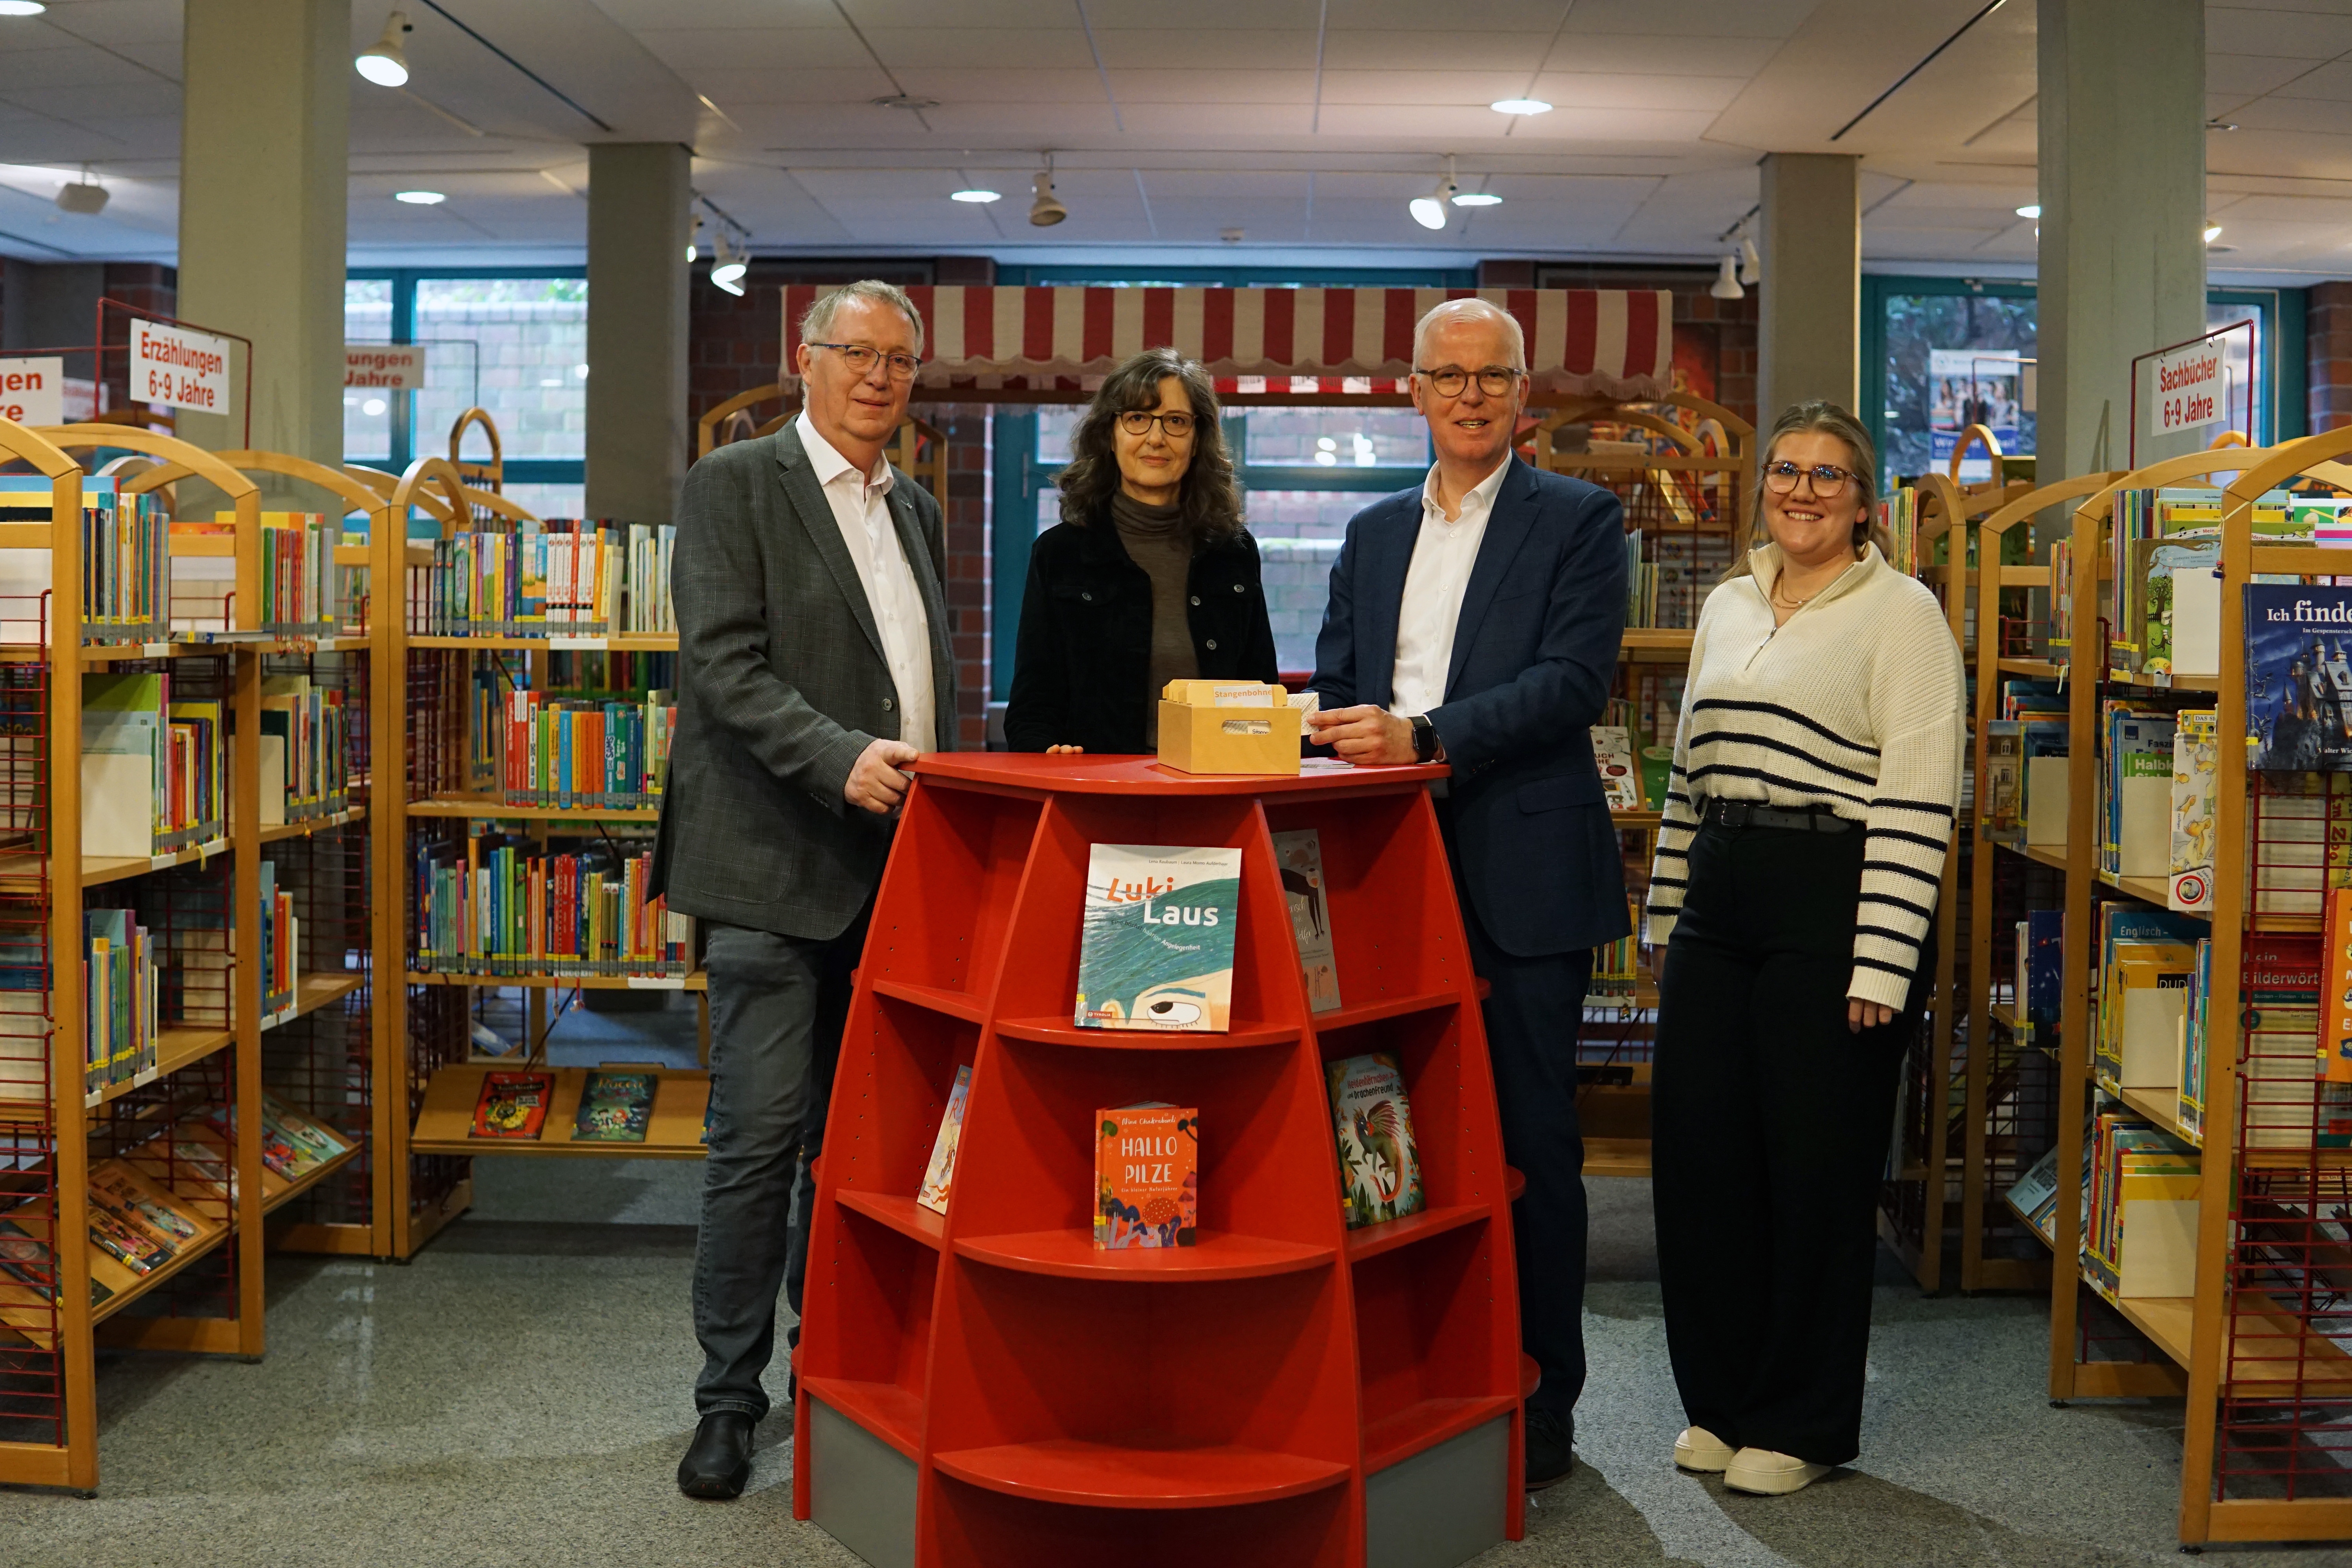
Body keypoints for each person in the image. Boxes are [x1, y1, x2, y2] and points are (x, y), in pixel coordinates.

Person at [1305, 297, 1629, 1488]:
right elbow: (1340, 682)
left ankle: (1544, 1400)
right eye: (1449, 376)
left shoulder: (1580, 520)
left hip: (1523, 879)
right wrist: (1335, 735)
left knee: (1529, 1144)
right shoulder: (1372, 527)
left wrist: (1424, 733)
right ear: (1414, 390)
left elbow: (1570, 683)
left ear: (1520, 391)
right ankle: (1407, 1371)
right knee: (1390, 1131)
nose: (1471, 395)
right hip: (1382, 870)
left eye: (1492, 376)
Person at [649, 280, 956, 1502]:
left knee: (854, 1154)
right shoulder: (733, 484)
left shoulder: (918, 508)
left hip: (892, 888)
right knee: (754, 1145)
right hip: (771, 874)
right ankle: (727, 1401)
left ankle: (832, 1369)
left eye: (898, 359)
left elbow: (922, 682)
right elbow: (720, 664)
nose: (877, 376)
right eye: (855, 353)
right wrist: (839, 759)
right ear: (808, 358)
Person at [1643, 401, 1964, 1497]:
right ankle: (1722, 1405)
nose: (1805, 491)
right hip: (1720, 901)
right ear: (1764, 486)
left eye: (1830, 477)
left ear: (1865, 503)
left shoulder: (1905, 615)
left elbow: (1920, 800)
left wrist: (1883, 962)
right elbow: (1689, 770)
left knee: (1815, 1172)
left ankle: (1804, 1420)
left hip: (1837, 899)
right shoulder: (1729, 604)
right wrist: (1664, 910)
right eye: (1788, 471)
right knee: (1703, 1162)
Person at [1005, 346, 1279, 754]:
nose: (1156, 438)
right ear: (1109, 435)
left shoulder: (1233, 551)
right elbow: (1032, 707)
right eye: (1137, 418)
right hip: (1097, 795)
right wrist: (1048, 758)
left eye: (1175, 421)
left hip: (1213, 790)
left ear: (1198, 438)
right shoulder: (1059, 553)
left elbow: (1261, 693)